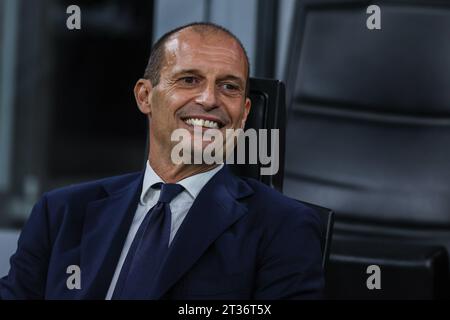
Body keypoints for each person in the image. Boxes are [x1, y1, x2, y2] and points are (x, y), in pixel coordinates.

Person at [0, 22, 324, 299]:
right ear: (145, 96)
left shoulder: (283, 227)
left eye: (228, 87)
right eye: (189, 80)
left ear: (244, 115)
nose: (210, 99)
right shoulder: (60, 214)